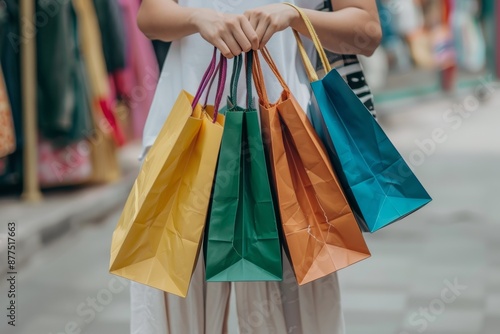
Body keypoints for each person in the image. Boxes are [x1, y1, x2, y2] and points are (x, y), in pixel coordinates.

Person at [132, 1, 381, 333]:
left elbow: (366, 31)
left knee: (297, 315)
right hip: (185, 138)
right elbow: (149, 17)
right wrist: (197, 17)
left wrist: (293, 15)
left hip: (284, 145)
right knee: (176, 316)